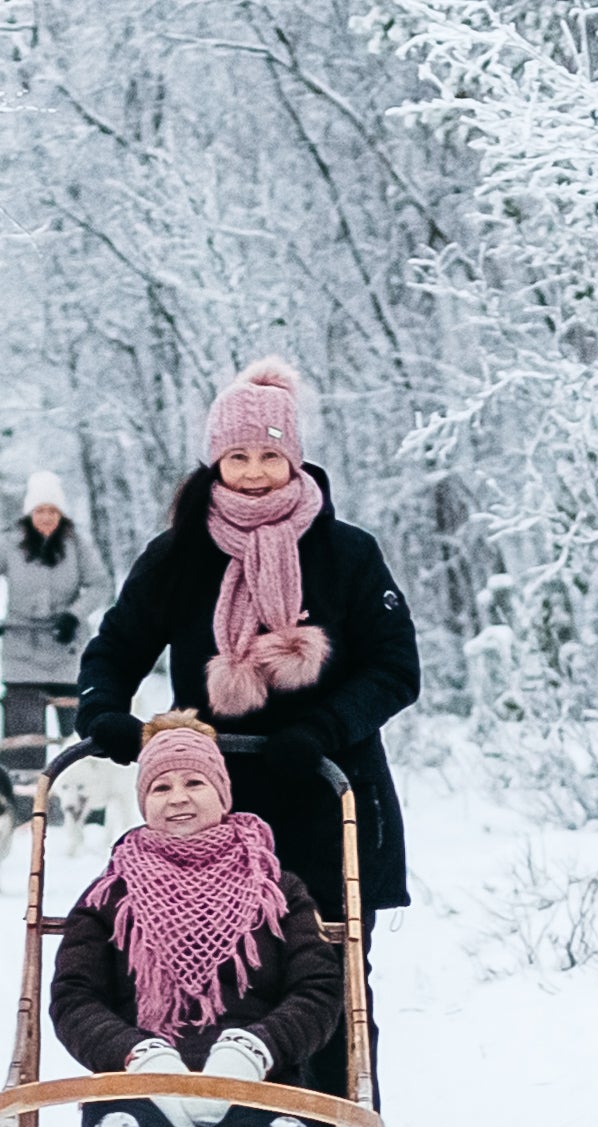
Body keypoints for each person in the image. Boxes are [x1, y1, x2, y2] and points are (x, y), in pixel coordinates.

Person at [71, 356, 421, 929]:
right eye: (238, 457)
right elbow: (115, 648)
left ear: (294, 458)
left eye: (270, 456)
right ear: (216, 462)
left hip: (330, 790)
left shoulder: (349, 555)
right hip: (213, 800)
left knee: (331, 979)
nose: (254, 472)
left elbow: (395, 669)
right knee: (223, 975)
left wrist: (322, 729)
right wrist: (102, 712)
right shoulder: (177, 555)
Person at [49, 716, 347, 1127]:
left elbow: (318, 990)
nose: (178, 799)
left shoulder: (277, 888)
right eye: (160, 787)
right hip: (137, 1082)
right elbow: (74, 997)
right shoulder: (109, 893)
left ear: (223, 793)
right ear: (142, 801)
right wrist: (137, 1055)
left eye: (194, 782)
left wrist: (254, 1050)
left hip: (261, 1080)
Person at [0, 472, 90, 774]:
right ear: (29, 513)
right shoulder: (8, 544)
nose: (46, 517)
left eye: (52, 511)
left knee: (77, 734)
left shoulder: (77, 546)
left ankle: (81, 804)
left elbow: (100, 585)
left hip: (67, 652)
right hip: (21, 652)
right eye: (40, 511)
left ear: (61, 514)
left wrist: (74, 614)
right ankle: (23, 800)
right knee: (24, 737)